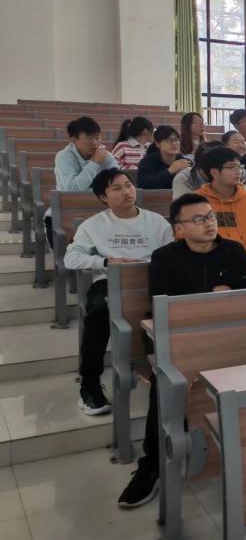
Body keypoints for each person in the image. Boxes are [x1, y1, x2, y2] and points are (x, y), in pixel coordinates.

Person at [116, 192, 246, 509]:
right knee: (165, 381)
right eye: (199, 219)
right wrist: (212, 295)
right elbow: (165, 308)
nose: (209, 223)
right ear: (179, 228)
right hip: (175, 337)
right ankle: (152, 466)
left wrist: (204, 299)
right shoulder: (165, 258)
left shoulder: (234, 251)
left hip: (228, 336)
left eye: (211, 217)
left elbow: (240, 301)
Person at [64, 169, 173, 415]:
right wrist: (105, 262)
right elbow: (71, 258)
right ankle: (90, 385)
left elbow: (172, 254)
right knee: (98, 311)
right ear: (104, 197)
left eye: (128, 185)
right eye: (117, 188)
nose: (126, 192)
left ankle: (160, 372)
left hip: (151, 280)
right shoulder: (94, 224)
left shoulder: (156, 222)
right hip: (110, 282)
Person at [196, 147, 246, 254]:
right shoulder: (195, 201)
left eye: (239, 167)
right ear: (214, 172)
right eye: (231, 167)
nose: (238, 171)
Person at [56, 116, 117, 191]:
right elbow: (72, 189)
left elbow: (116, 184)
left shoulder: (106, 156)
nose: (95, 143)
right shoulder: (63, 156)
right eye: (89, 138)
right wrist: (94, 162)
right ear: (74, 140)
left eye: (97, 138)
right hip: (69, 199)